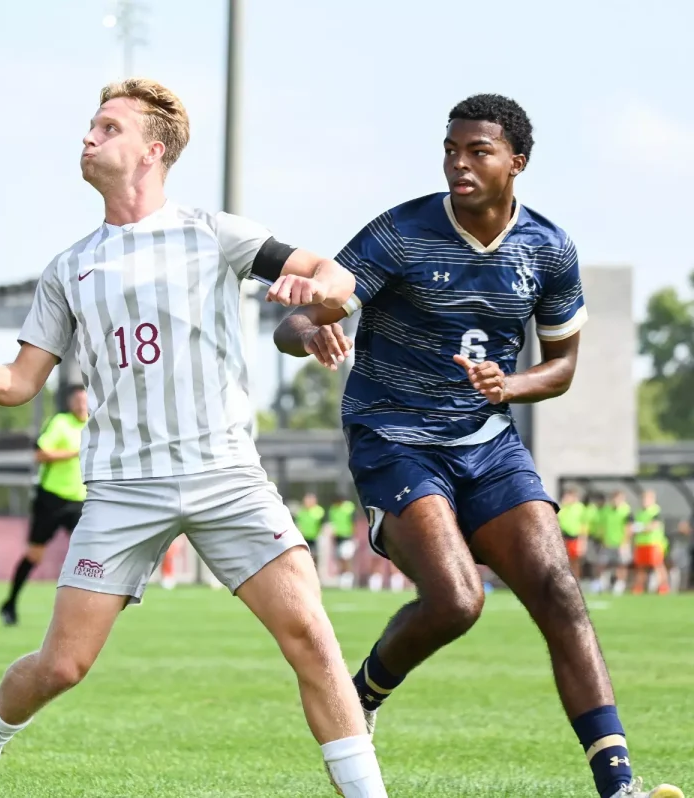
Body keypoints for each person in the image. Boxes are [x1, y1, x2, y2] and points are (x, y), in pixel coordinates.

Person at [0, 78, 387, 798]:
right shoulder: (70, 268)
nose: (88, 137)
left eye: (107, 127)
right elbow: (23, 379)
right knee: (61, 666)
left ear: (153, 151)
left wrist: (322, 296)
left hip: (226, 475)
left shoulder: (212, 232)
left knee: (313, 638)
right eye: (90, 125)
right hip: (120, 488)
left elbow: (329, 273)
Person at [273, 94, 681, 798]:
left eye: (478, 151)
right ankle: (363, 694)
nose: (459, 164)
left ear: (516, 163)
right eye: (451, 149)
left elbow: (563, 367)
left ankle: (619, 784)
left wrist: (511, 385)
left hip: (488, 441)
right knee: (458, 602)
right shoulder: (400, 232)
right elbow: (300, 318)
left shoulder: (547, 248)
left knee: (559, 591)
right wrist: (308, 332)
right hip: (395, 438)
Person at [0, 385, 89, 627]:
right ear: (71, 403)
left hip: (81, 500)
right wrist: (73, 452)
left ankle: (84, 613)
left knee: (88, 554)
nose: (82, 406)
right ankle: (10, 603)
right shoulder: (60, 423)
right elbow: (40, 454)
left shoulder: (97, 426)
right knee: (34, 555)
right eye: (78, 401)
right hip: (51, 498)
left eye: (86, 401)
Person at [630, 490, 669, 595]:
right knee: (641, 567)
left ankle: (663, 587)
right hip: (641, 543)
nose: (644, 501)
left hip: (654, 543)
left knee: (657, 565)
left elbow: (654, 525)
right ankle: (639, 587)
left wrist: (639, 528)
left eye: (646, 499)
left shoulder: (656, 511)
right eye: (643, 499)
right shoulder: (639, 512)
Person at [602, 491, 633, 596]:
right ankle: (605, 584)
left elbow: (628, 528)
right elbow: (605, 526)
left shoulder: (626, 510)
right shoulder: (607, 510)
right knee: (605, 564)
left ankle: (620, 584)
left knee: (622, 564)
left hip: (621, 543)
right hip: (609, 542)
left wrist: (624, 543)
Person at [557, 487, 588, 583]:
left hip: (575, 538)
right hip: (563, 537)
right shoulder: (562, 507)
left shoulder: (580, 508)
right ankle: (564, 581)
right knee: (563, 560)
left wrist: (583, 542)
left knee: (575, 561)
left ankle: (576, 581)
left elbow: (584, 526)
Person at [327, 495, 358, 589]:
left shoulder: (349, 507)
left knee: (346, 558)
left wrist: (355, 536)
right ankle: (343, 578)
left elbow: (354, 522)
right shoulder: (333, 509)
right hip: (337, 538)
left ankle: (348, 579)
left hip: (348, 537)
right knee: (340, 559)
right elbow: (333, 523)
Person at [295, 492, 326, 564]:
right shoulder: (301, 511)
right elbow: (298, 523)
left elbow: (322, 523)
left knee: (315, 555)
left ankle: (315, 571)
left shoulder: (319, 511)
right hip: (304, 537)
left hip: (316, 537)